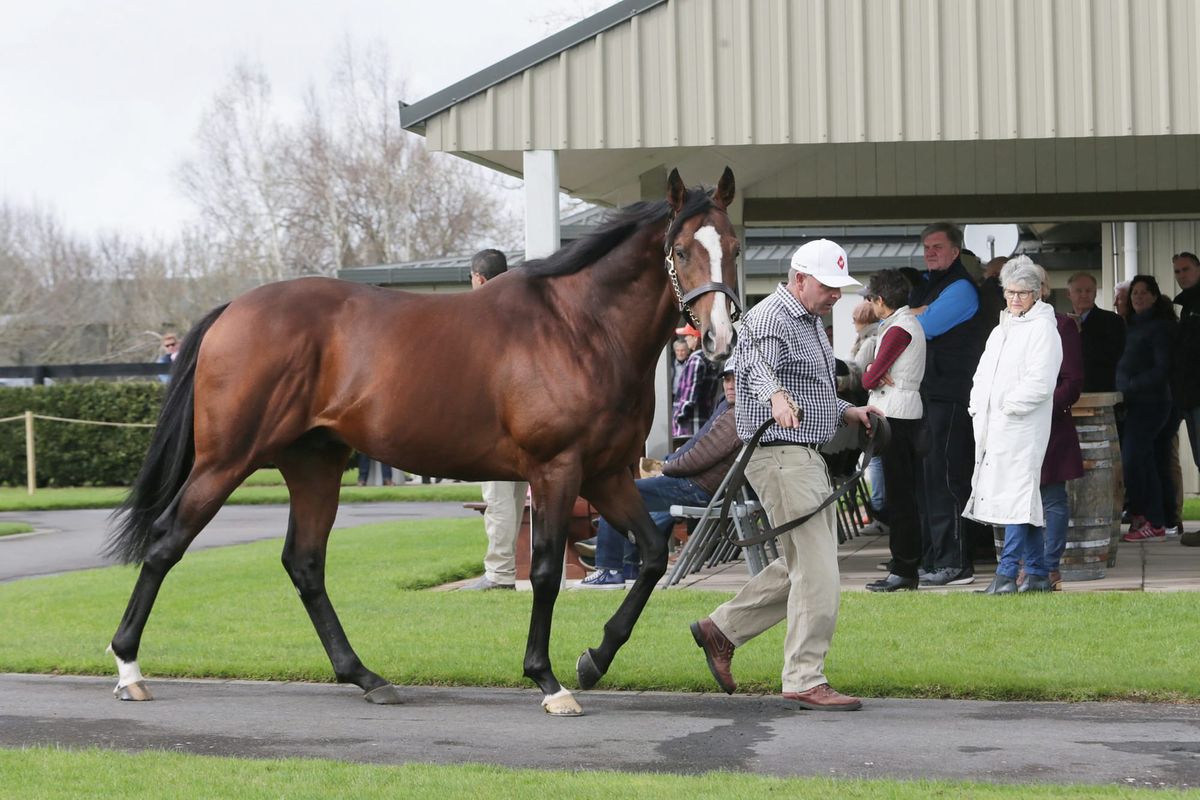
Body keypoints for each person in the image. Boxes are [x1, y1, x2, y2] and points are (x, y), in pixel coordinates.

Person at [689, 238, 879, 712]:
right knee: (818, 571)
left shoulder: (808, 320)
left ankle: (722, 629)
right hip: (781, 454)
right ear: (799, 279)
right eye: (827, 286)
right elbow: (752, 363)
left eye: (839, 287)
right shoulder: (774, 316)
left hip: (798, 452)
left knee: (807, 565)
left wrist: (846, 410)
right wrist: (774, 395)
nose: (836, 295)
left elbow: (808, 389)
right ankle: (804, 676)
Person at [578, 360, 741, 589]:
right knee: (630, 499)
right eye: (726, 379)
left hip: (696, 488)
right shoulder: (727, 408)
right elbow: (697, 446)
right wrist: (669, 464)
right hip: (693, 483)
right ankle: (629, 566)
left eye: (736, 378)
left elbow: (699, 457)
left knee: (613, 496)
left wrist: (663, 468)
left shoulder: (738, 416)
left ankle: (609, 570)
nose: (730, 385)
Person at [966, 257, 1063, 594]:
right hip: (995, 426)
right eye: (1010, 292)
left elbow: (1041, 381)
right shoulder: (1001, 329)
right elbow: (982, 375)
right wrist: (979, 406)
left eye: (1022, 293)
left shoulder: (1043, 329)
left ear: (1036, 294)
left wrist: (1007, 408)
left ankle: (1006, 573)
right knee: (1022, 496)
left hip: (1021, 426)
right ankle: (1036, 573)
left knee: (1016, 495)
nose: (1015, 299)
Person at [909, 222, 985, 587]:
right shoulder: (928, 285)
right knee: (925, 483)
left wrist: (915, 313)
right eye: (926, 247)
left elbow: (917, 328)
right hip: (926, 396)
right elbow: (904, 320)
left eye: (937, 246)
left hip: (950, 396)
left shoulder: (960, 288)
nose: (930, 252)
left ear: (956, 251)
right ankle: (934, 558)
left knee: (946, 481)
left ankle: (956, 564)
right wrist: (916, 310)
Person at [461, 249, 528, 591]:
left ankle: (499, 574)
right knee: (509, 499)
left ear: (481, 280)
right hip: (525, 422)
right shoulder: (523, 313)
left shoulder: (486, 318)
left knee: (499, 499)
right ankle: (502, 571)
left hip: (499, 426)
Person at [859, 269, 927, 592]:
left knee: (900, 496)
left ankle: (904, 568)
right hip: (901, 412)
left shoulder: (899, 329)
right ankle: (903, 564)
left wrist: (874, 370)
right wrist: (876, 370)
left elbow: (868, 380)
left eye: (871, 299)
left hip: (896, 416)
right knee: (902, 494)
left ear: (880, 300)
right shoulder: (901, 325)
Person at [1033, 265, 1084, 590]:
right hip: (1015, 428)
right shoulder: (1006, 326)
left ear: (1042, 288)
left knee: (1051, 498)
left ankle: (1049, 568)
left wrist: (1040, 410)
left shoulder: (1062, 325)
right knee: (1022, 499)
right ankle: (1027, 566)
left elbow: (1073, 381)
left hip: (1051, 424)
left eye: (1027, 287)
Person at [1116, 274, 1177, 542]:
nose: (1138, 297)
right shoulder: (1130, 326)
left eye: (1143, 292)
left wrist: (1131, 384)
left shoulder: (1160, 327)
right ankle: (1144, 514)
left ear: (1154, 296)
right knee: (1142, 459)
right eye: (1135, 293)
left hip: (1153, 403)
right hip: (1133, 404)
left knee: (1136, 458)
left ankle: (1155, 520)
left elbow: (1163, 368)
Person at [1173, 252, 1200, 547]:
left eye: (1187, 269)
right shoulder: (1188, 305)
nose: (1182, 274)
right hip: (1190, 395)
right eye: (1178, 271)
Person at [1067, 272, 1125, 393]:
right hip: (1069, 394)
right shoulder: (1062, 323)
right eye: (1079, 291)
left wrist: (1081, 333)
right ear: (1068, 294)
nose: (1084, 295)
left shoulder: (1112, 321)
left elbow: (1114, 357)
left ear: (1095, 294)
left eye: (1089, 291)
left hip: (1103, 392)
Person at [672, 323, 720, 443]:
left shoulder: (696, 359)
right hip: (703, 421)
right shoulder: (710, 357)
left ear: (696, 338)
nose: (686, 339)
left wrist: (679, 417)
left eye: (688, 335)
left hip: (690, 425)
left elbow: (689, 395)